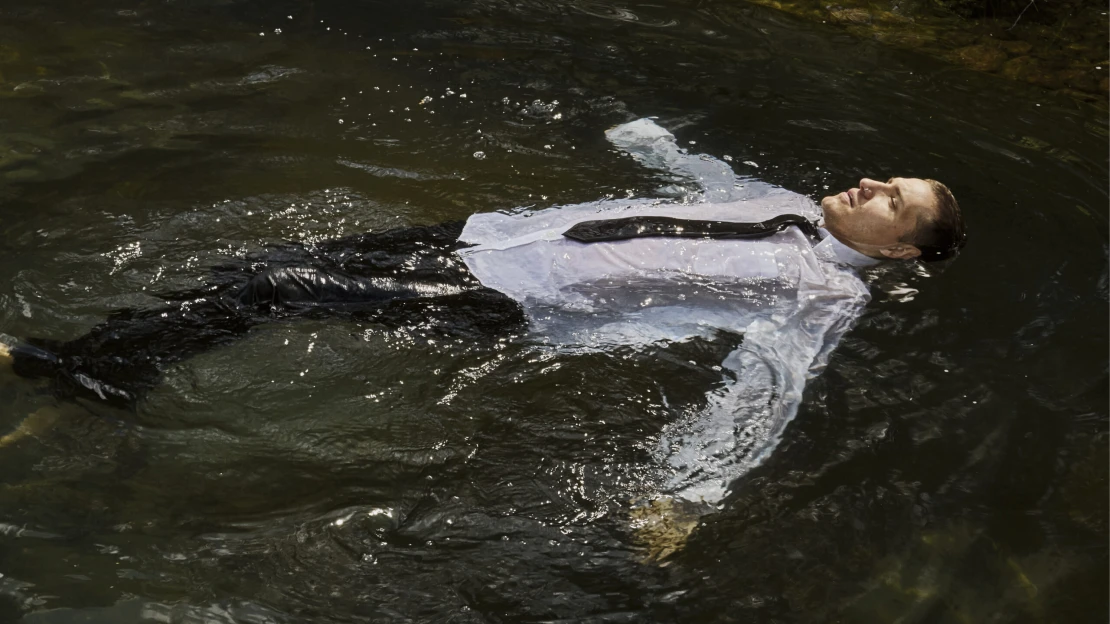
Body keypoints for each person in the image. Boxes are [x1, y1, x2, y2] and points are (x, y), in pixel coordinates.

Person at [0, 119, 965, 512]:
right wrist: (646, 134)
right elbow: (703, 185)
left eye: (894, 198)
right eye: (887, 179)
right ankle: (113, 361)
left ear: (898, 251)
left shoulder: (828, 289)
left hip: (514, 298)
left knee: (279, 292)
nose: (874, 183)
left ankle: (94, 371)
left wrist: (691, 488)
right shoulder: (784, 195)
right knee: (265, 266)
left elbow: (772, 381)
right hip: (493, 233)